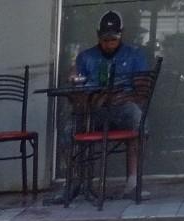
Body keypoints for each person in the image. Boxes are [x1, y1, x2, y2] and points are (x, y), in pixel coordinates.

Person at [63, 11, 151, 195]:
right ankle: (76, 181)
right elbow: (75, 92)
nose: (109, 44)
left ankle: (133, 181)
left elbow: (142, 91)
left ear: (121, 35)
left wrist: (122, 97)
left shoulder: (135, 55)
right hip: (94, 109)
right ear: (97, 36)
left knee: (138, 119)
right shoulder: (86, 57)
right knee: (68, 130)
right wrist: (75, 82)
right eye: (105, 40)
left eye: (113, 39)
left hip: (123, 106)